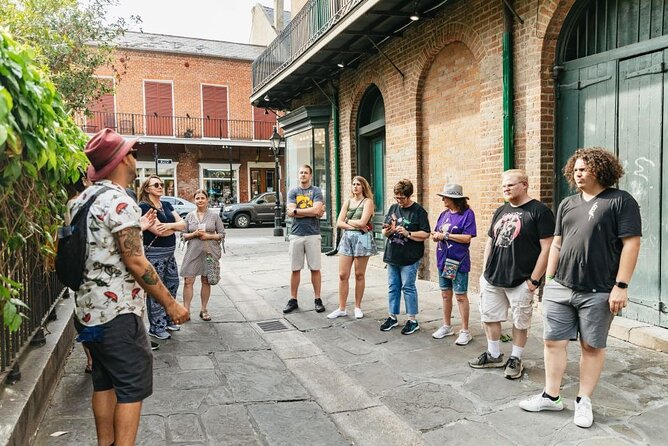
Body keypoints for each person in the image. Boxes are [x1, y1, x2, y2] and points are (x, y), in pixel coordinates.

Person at [72, 128, 189, 446]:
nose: (135, 158)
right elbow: (137, 262)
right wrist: (171, 303)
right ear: (122, 160)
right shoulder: (120, 202)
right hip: (118, 316)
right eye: (131, 153)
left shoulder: (81, 201)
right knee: (131, 388)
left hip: (87, 314)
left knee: (103, 383)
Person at [520, 148, 641, 428]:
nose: (578, 172)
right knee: (553, 342)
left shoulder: (620, 201)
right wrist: (548, 282)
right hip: (560, 286)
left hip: (599, 289)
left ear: (600, 170)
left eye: (584, 168)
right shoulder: (567, 204)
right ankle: (551, 397)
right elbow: (557, 244)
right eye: (575, 168)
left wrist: (621, 286)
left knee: (591, 346)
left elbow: (631, 244)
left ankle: (583, 401)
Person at [469, 169, 554, 380]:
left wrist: (534, 280)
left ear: (524, 185)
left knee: (520, 321)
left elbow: (548, 247)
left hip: (521, 279)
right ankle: (494, 353)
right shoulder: (501, 210)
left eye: (511, 184)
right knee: (489, 316)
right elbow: (491, 240)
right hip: (493, 277)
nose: (506, 188)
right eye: (504, 185)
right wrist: (484, 271)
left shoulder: (539, 211)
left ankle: (516, 357)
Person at [138, 175, 187, 340]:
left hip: (169, 254)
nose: (160, 186)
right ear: (147, 189)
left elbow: (184, 224)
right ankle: (156, 326)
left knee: (173, 283)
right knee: (157, 290)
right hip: (154, 255)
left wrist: (169, 225)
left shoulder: (165, 204)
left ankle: (168, 319)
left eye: (162, 184)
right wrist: (174, 227)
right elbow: (158, 231)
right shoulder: (144, 207)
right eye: (156, 184)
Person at [380, 179, 430, 335]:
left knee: (408, 287)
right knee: (392, 287)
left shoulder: (418, 211)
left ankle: (412, 320)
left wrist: (409, 233)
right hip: (392, 255)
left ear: (409, 196)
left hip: (410, 257)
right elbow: (384, 231)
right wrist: (388, 231)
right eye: (397, 198)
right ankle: (392, 317)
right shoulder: (393, 208)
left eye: (402, 198)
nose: (399, 201)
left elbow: (426, 233)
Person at [430, 184, 476, 345]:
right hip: (443, 259)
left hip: (458, 260)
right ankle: (447, 325)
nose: (443, 199)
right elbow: (436, 232)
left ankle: (465, 330)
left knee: (460, 295)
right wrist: (436, 236)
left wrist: (446, 236)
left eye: (445, 197)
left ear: (455, 198)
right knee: (445, 294)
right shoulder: (443, 214)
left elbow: (467, 237)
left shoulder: (467, 214)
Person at [327, 176, 377, 319]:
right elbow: (339, 222)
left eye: (358, 184)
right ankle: (341, 308)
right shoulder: (347, 201)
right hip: (347, 238)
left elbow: (363, 222)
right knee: (343, 275)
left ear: (363, 187)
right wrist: (350, 224)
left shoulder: (368, 202)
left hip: (362, 239)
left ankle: (357, 307)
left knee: (359, 274)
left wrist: (348, 221)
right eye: (353, 184)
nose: (355, 186)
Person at [283, 164, 326, 314]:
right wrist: (311, 212)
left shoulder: (316, 191)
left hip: (313, 233)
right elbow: (291, 213)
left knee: (315, 268)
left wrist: (297, 211)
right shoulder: (293, 191)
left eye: (305, 173)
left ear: (310, 175)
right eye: (301, 172)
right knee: (295, 269)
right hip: (296, 234)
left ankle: (317, 299)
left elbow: (317, 210)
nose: (303, 175)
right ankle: (293, 299)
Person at [180, 189, 226, 321]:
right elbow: (182, 235)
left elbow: (222, 234)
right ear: (194, 200)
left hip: (209, 252)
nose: (200, 200)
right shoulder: (189, 216)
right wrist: (194, 234)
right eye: (197, 198)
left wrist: (208, 236)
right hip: (193, 252)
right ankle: (186, 311)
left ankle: (204, 309)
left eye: (202, 198)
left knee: (206, 281)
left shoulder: (214, 216)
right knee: (188, 281)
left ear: (207, 200)